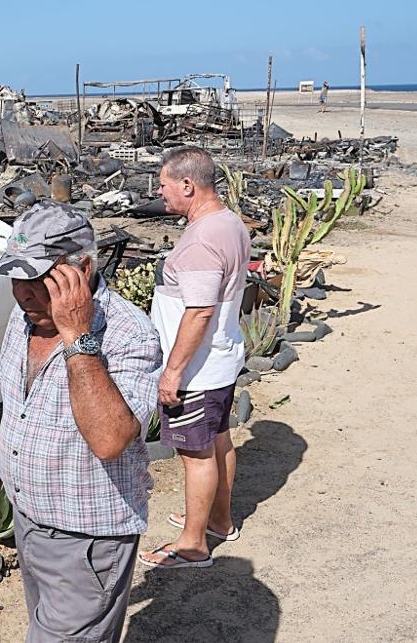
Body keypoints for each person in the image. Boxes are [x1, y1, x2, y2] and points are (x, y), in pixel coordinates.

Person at [0, 202, 162, 642]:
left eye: (38, 278)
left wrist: (77, 336)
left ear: (83, 269)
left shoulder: (128, 334)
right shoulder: (26, 320)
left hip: (87, 536)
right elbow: (19, 404)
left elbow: (111, 439)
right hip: (30, 518)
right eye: (16, 277)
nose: (23, 292)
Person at [139, 146, 250, 570]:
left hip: (198, 369)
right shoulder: (228, 223)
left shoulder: (203, 238)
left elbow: (200, 309)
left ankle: (192, 545)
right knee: (219, 439)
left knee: (196, 454)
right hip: (220, 357)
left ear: (188, 184)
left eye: (164, 184)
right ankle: (218, 521)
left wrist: (173, 372)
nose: (160, 193)